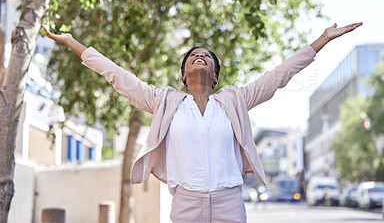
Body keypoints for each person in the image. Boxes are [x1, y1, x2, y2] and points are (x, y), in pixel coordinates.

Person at [42, 22, 362, 222]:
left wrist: (321, 40)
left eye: (207, 56)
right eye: (194, 55)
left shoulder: (235, 101)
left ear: (215, 74)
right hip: (186, 204)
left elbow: (280, 75)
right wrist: (74, 44)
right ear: (184, 74)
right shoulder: (165, 101)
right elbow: (118, 77)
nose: (200, 57)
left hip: (229, 203)